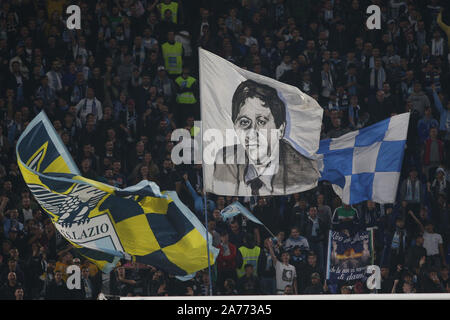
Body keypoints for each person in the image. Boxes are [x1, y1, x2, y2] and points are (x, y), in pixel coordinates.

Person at [212, 79, 319, 196]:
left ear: (281, 130)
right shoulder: (224, 161)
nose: (252, 132)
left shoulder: (306, 173)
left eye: (261, 122)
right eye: (244, 122)